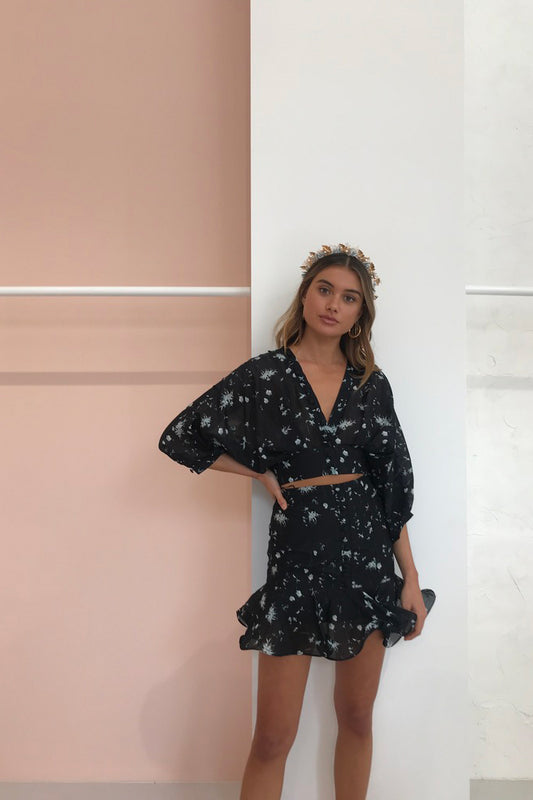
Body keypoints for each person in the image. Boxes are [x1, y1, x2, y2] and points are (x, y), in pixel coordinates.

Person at [158, 242, 436, 800]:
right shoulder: (265, 375)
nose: (334, 304)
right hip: (297, 557)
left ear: (360, 314)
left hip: (367, 559)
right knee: (272, 737)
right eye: (325, 290)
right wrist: (257, 471)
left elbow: (392, 493)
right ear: (306, 296)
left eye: (349, 298)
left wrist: (409, 577)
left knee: (356, 719)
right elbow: (181, 437)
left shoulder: (370, 383)